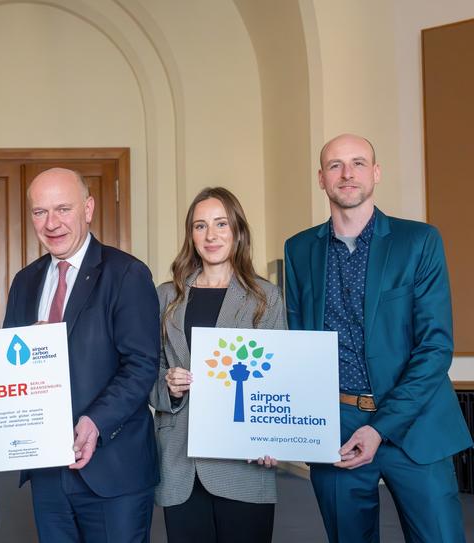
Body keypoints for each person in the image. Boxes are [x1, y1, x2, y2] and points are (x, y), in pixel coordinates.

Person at [284, 133, 472, 542]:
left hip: (415, 422)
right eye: (335, 165)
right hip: (336, 427)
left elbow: (435, 347)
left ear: (376, 172)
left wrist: (380, 427)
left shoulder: (419, 241)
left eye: (358, 163)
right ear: (321, 178)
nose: (347, 173)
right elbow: (298, 345)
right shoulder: (299, 250)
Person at [2, 168, 160, 542]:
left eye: (63, 209)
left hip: (113, 469)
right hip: (48, 474)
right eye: (40, 212)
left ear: (88, 209)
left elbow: (140, 366)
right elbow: (9, 366)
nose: (51, 223)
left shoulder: (127, 274)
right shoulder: (24, 282)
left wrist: (95, 422)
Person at [149, 187, 285, 543]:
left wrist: (274, 436)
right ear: (190, 235)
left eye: (221, 223)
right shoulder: (166, 296)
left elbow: (279, 377)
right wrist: (168, 386)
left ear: (237, 230)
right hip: (181, 461)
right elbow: (147, 371)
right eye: (200, 226)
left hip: (244, 461)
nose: (211, 235)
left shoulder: (264, 297)